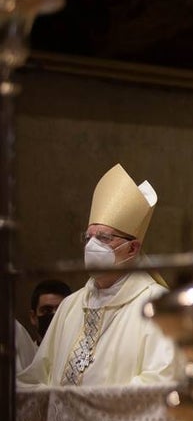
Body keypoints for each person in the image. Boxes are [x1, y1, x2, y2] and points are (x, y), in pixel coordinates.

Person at [17, 164, 177, 387]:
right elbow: (37, 379)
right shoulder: (69, 306)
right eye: (88, 237)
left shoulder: (158, 307)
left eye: (103, 238)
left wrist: (89, 409)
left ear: (132, 248)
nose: (91, 246)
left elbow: (161, 383)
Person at [14, 279, 73, 372]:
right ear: (33, 317)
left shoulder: (77, 358)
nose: (54, 317)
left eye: (61, 311)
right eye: (46, 310)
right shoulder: (26, 359)